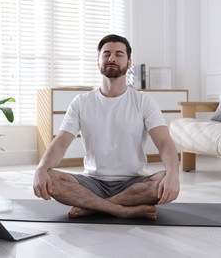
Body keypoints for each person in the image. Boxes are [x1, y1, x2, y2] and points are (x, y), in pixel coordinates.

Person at [33, 34, 180, 220]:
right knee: (50, 177)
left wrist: (173, 175)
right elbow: (60, 143)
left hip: (133, 183)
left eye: (119, 54)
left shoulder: (143, 101)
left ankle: (92, 206)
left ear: (129, 62)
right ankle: (120, 209)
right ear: (98, 61)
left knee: (163, 179)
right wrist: (40, 169)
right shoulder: (81, 102)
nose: (112, 58)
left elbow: (165, 143)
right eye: (106, 54)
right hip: (92, 182)